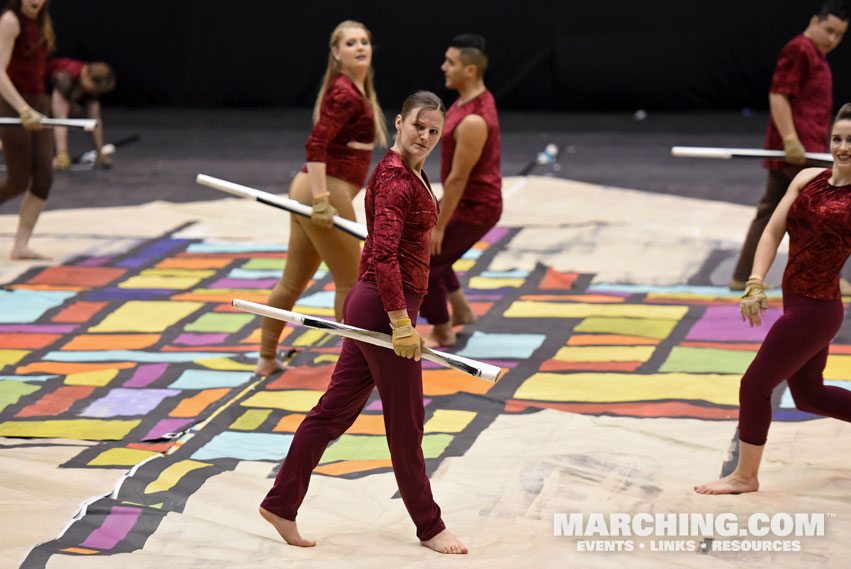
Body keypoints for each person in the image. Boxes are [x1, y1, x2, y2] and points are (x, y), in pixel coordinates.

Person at [258, 91, 468, 555]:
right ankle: (429, 526)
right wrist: (400, 323)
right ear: (399, 122)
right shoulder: (396, 179)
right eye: (419, 126)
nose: (426, 137)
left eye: (434, 131)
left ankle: (280, 503)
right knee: (406, 422)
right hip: (381, 309)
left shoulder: (411, 171)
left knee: (333, 413)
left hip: (376, 305)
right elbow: (387, 258)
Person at [695, 103, 851, 495]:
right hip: (795, 300)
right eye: (838, 138)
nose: (843, 147)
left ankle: (746, 476)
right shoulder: (807, 177)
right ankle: (746, 475)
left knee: (754, 385)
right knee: (810, 395)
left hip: (817, 309)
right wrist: (755, 282)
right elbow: (771, 232)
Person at [254, 20, 387, 376]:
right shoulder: (345, 93)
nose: (360, 47)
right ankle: (355, 368)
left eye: (364, 41)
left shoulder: (354, 89)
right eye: (350, 43)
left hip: (309, 189)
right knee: (352, 283)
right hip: (323, 189)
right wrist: (322, 198)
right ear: (336, 53)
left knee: (291, 282)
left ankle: (266, 359)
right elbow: (315, 143)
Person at [730, 0, 848, 290]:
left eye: (839, 35)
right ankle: (828, 280)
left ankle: (743, 275)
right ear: (814, 22)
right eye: (829, 31)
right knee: (827, 211)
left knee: (771, 211)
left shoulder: (816, 54)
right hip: (796, 153)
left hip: (805, 150)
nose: (832, 39)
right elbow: (779, 95)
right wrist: (791, 140)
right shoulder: (800, 49)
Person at [421, 34, 501, 348]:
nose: (444, 67)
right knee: (437, 253)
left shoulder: (473, 120)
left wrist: (439, 225)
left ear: (469, 70)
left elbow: (458, 179)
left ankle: (442, 330)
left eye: (450, 63)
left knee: (423, 263)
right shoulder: (467, 100)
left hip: (476, 207)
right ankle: (462, 310)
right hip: (466, 199)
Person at [0, 0, 55, 260]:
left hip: (38, 100)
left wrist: (39, 106)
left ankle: (21, 245)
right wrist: (22, 109)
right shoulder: (10, 21)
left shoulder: (43, 20)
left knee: (45, 173)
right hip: (12, 103)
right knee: (18, 180)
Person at [47, 57, 116, 170]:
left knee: (76, 111)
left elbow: (95, 120)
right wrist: (62, 153)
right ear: (88, 76)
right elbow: (60, 118)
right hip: (37, 98)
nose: (94, 92)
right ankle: (48, 154)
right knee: (71, 111)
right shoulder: (66, 77)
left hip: (56, 104)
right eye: (95, 88)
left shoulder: (89, 84)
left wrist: (99, 152)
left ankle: (54, 153)